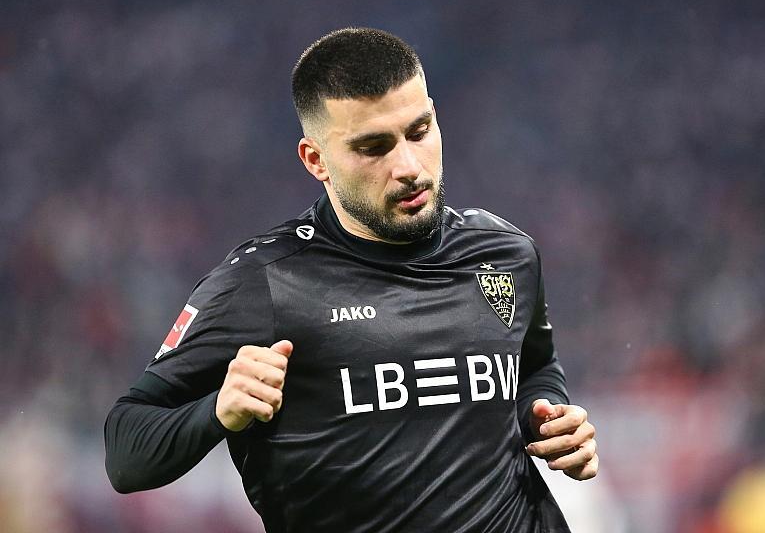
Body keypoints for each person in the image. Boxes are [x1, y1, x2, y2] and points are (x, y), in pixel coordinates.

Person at [104, 27, 598, 532]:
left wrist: (547, 419)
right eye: (373, 148)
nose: (408, 166)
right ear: (316, 160)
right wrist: (218, 410)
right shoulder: (264, 283)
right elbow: (125, 449)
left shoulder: (505, 253)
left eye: (419, 131)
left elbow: (535, 367)